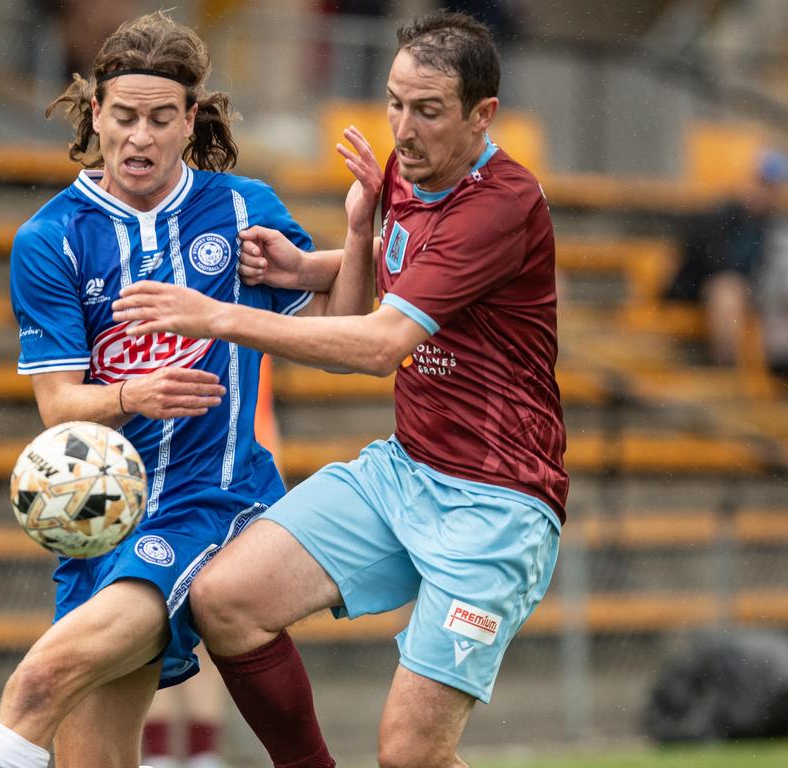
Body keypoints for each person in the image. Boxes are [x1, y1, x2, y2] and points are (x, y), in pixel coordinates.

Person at [113, 10, 567, 767]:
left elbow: (383, 341)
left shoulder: (501, 203)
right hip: (407, 469)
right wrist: (307, 266)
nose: (403, 127)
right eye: (393, 102)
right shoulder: (410, 168)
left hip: (496, 502)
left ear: (483, 115)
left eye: (427, 110)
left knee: (410, 755)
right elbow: (409, 263)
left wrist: (218, 316)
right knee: (225, 600)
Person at [0, 11, 373, 768]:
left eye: (159, 118)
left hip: (210, 504)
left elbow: (343, 337)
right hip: (103, 524)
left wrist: (359, 230)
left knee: (39, 680)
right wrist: (131, 395)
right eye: (124, 117)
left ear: (190, 121)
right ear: (95, 116)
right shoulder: (49, 241)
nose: (139, 137)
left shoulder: (242, 209)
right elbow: (59, 408)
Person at [665, 148, 788, 370]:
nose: (768, 193)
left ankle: (775, 369)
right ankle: (728, 369)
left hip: (753, 289)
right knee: (728, 289)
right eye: (764, 184)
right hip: (702, 289)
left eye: (774, 187)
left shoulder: (772, 224)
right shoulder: (719, 216)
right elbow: (709, 262)